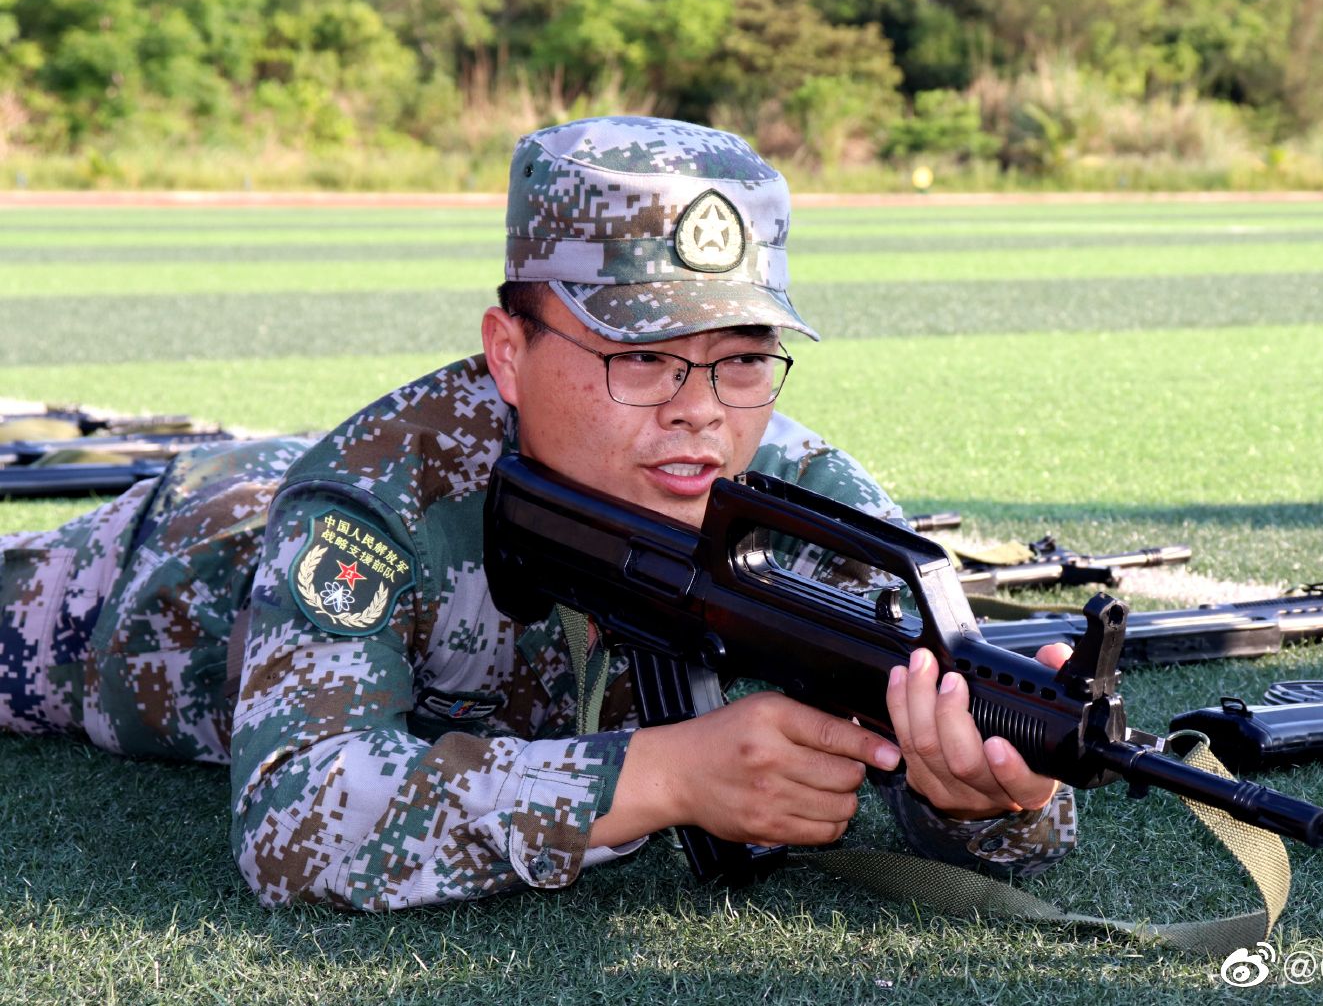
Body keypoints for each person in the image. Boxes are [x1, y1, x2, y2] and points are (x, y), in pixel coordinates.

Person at [1, 116, 1077, 910]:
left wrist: (986, 795)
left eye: (742, 360)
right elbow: (293, 816)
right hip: (156, 577)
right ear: (509, 353)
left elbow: (962, 731)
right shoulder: (368, 503)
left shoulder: (808, 502)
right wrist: (662, 775)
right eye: (643, 359)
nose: (699, 416)